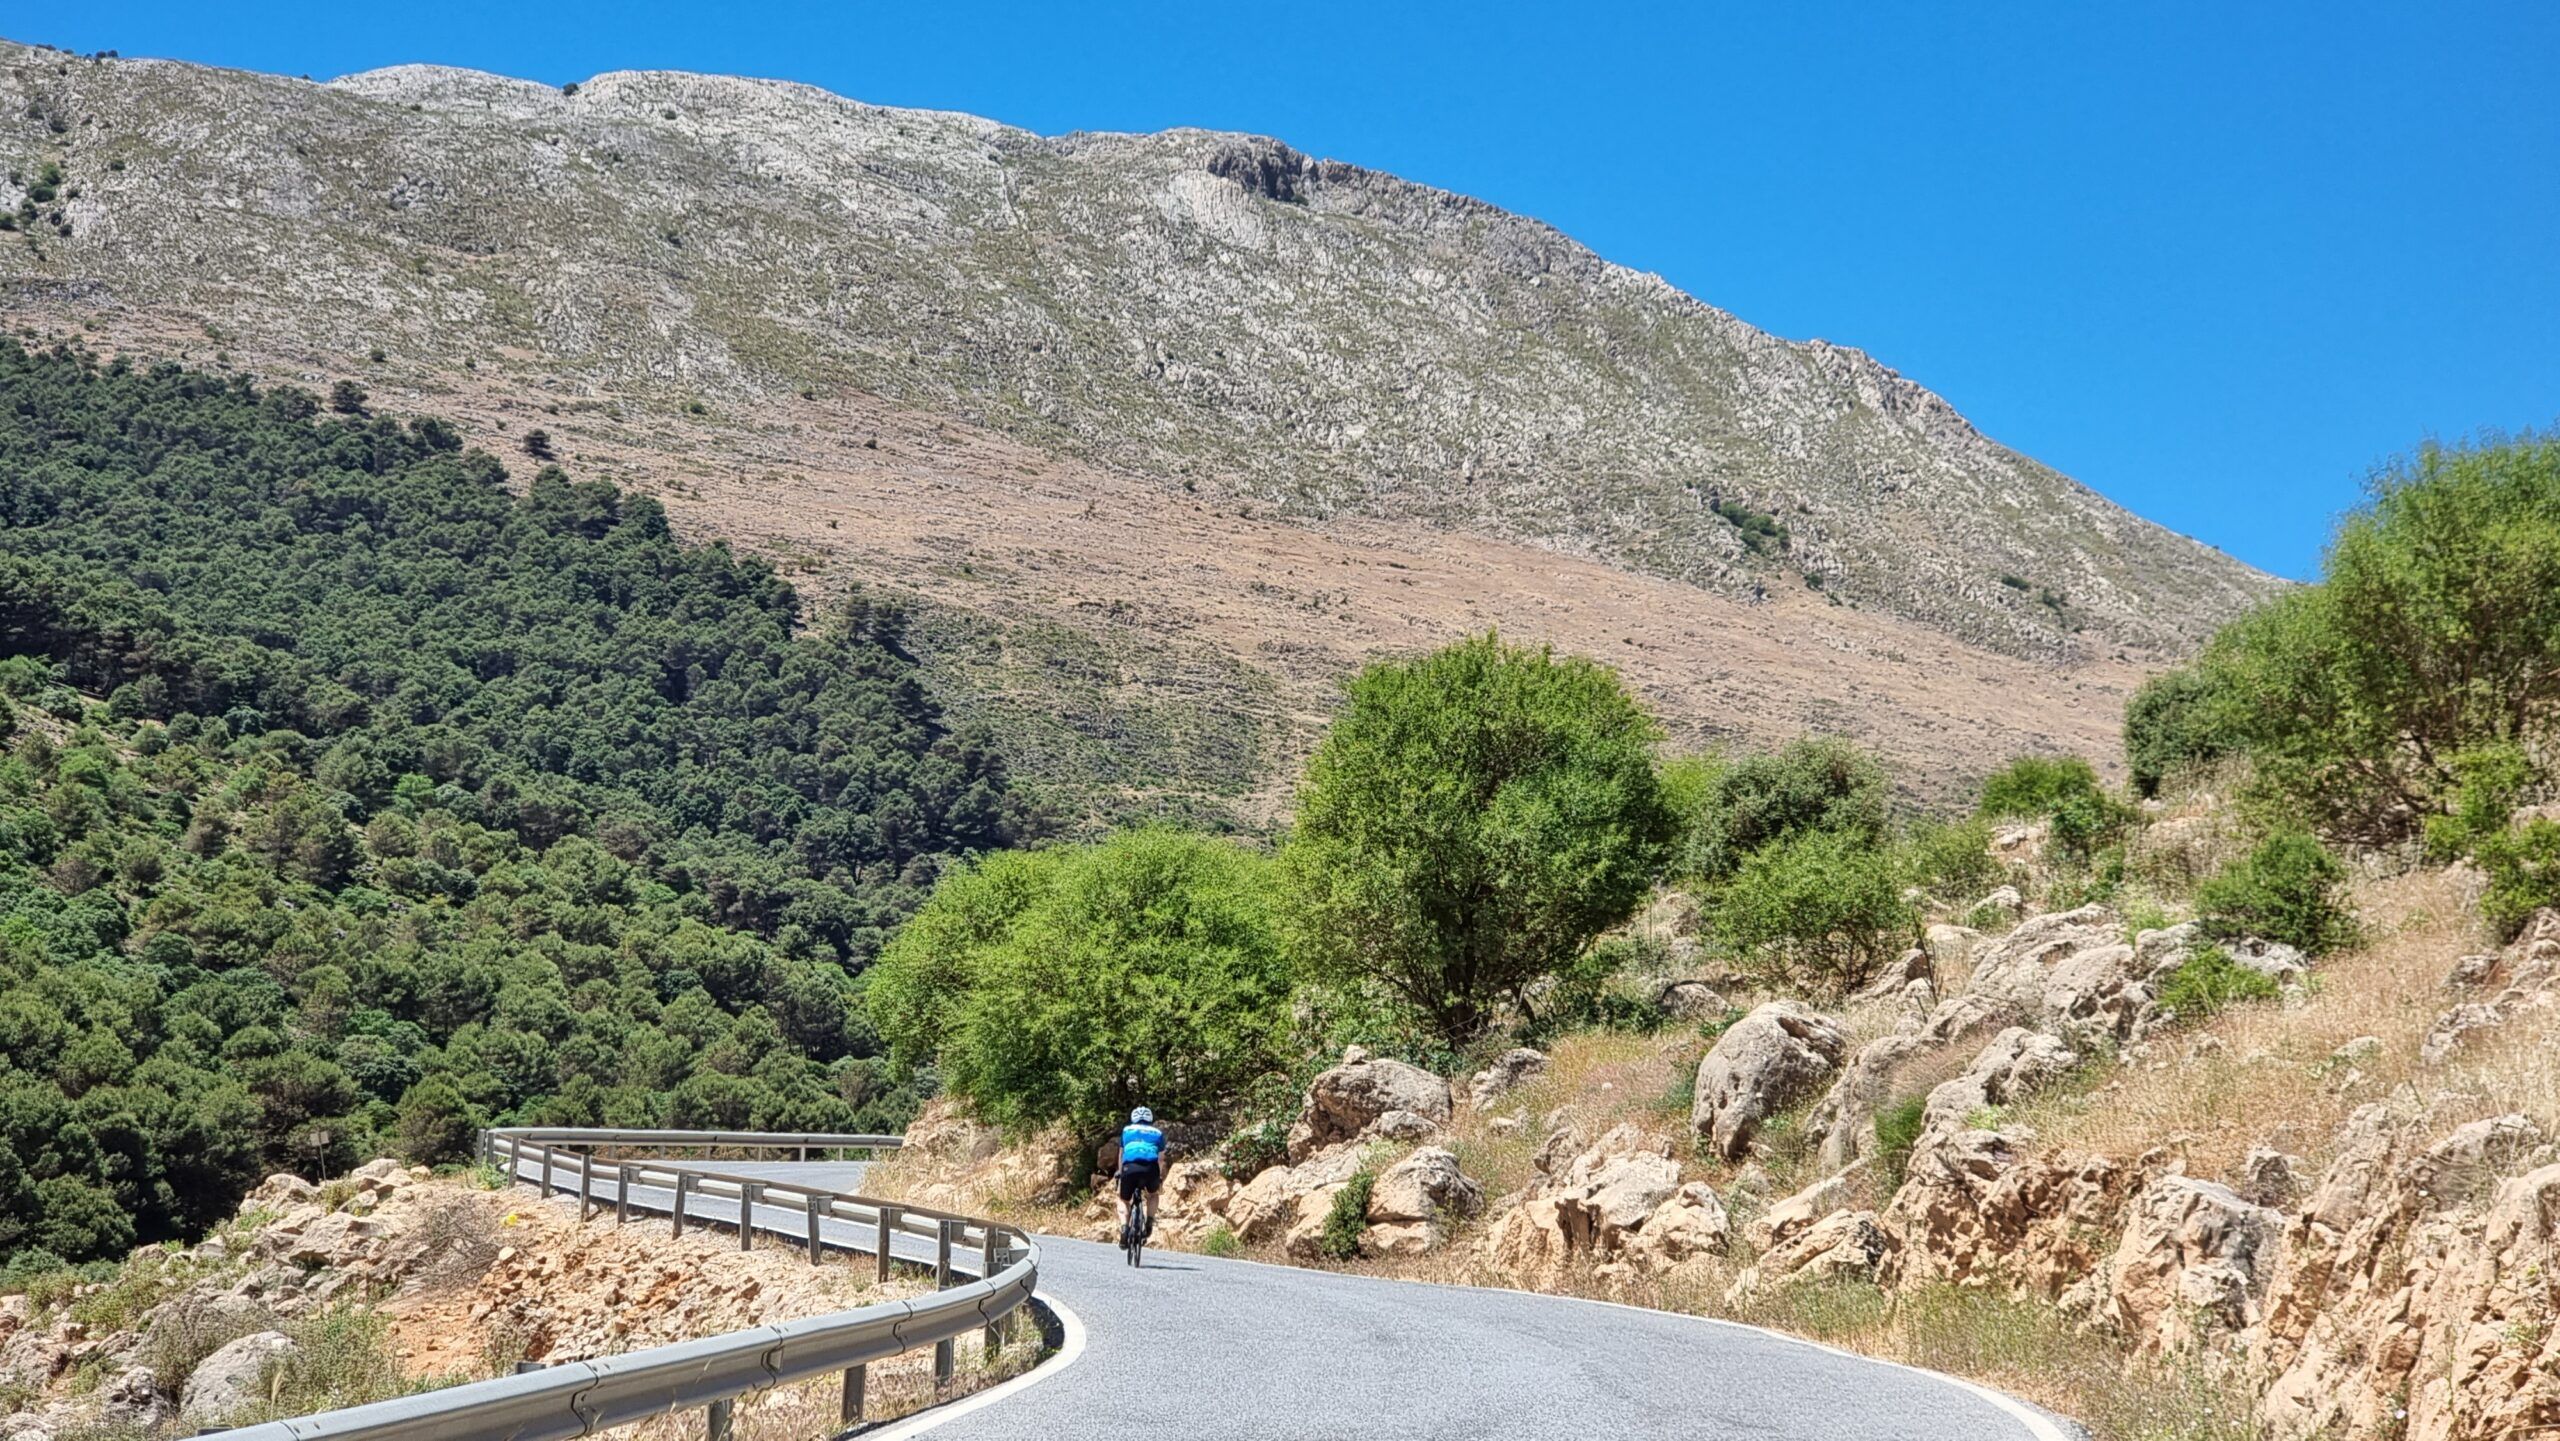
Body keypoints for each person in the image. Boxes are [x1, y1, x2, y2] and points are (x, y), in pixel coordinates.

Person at [1116, 1106, 1167, 1240]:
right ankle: (1149, 1222)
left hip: (1130, 1167)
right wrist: (1159, 1176)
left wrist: (1120, 1173)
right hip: (1150, 1168)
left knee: (1123, 1199)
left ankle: (1124, 1228)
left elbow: (1122, 1154)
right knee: (1153, 1195)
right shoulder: (1158, 1133)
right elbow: (1161, 1159)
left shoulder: (1126, 1130)